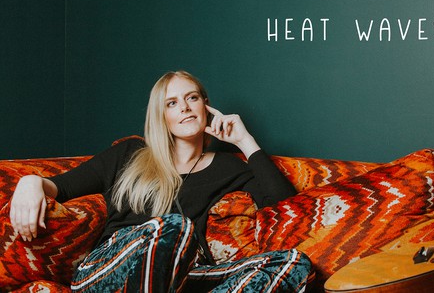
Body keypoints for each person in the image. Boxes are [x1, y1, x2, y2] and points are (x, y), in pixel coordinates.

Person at [10, 70, 313, 292]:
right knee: (174, 227)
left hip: (180, 275)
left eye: (192, 98)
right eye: (172, 103)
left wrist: (245, 141)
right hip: (107, 270)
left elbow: (286, 211)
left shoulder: (227, 167)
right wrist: (30, 183)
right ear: (161, 115)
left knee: (292, 262)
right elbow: (61, 187)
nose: (185, 107)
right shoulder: (130, 153)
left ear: (206, 106)